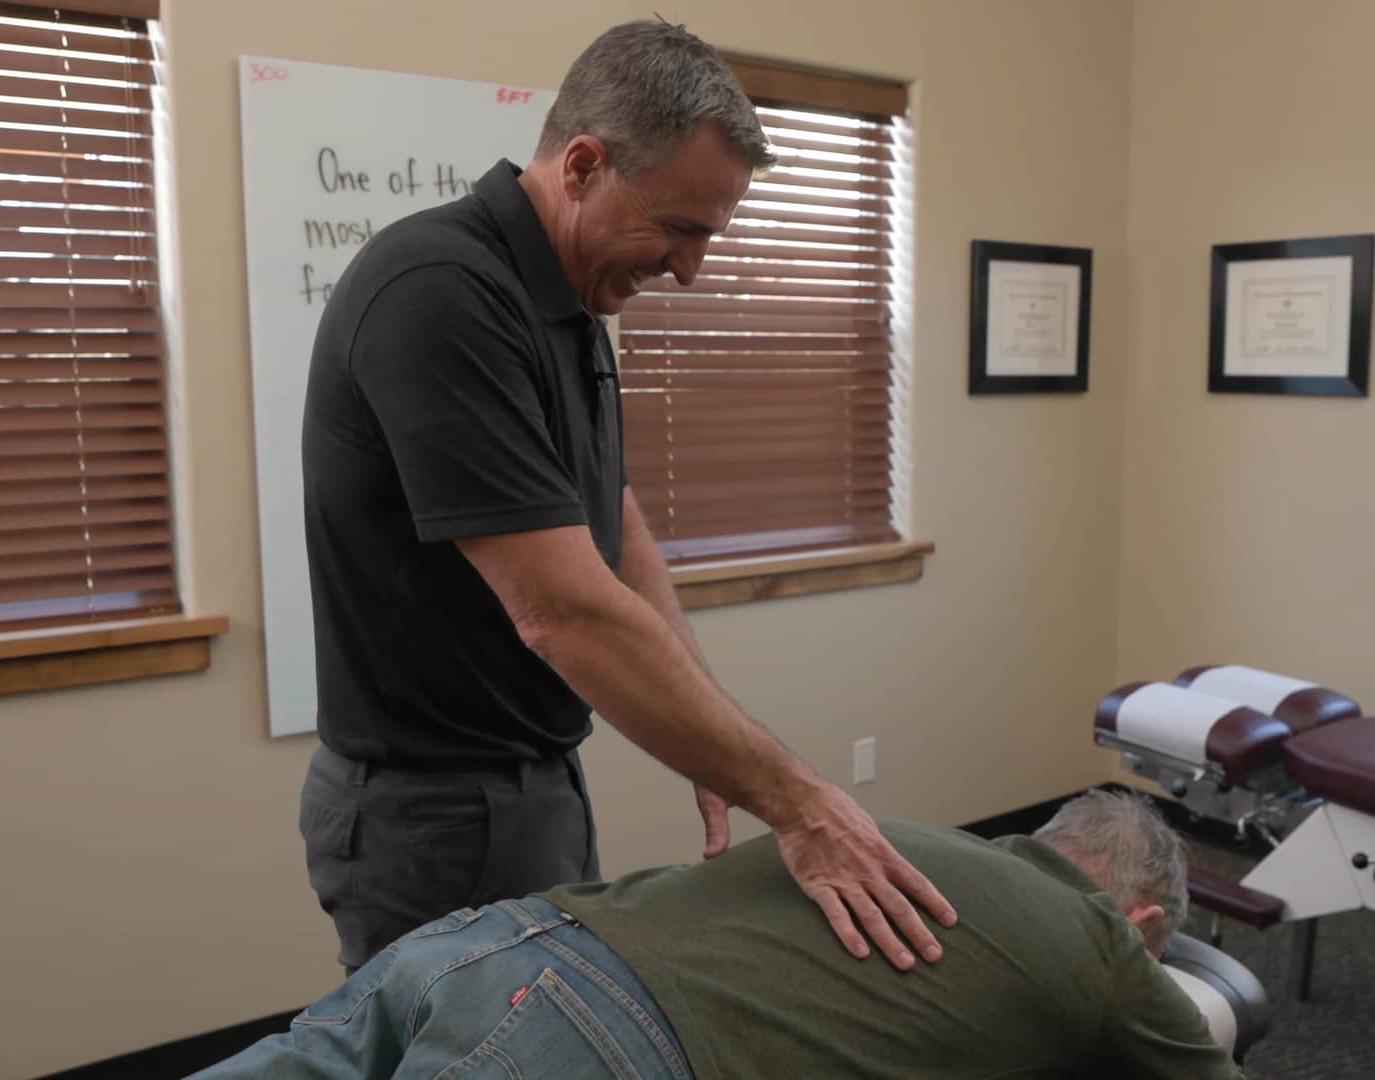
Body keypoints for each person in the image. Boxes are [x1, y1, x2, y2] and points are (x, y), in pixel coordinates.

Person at [297, 14, 951, 981]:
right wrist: (802, 805)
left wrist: (707, 738)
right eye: (681, 229)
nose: (690, 268)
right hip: (435, 812)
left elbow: (616, 525)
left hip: (536, 781)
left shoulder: (570, 302)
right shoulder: (441, 291)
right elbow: (560, 607)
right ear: (582, 166)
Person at [193, 790, 1242, 1079]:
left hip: (493, 940)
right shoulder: (1106, 947)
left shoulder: (910, 841)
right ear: (1141, 918)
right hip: (588, 1041)